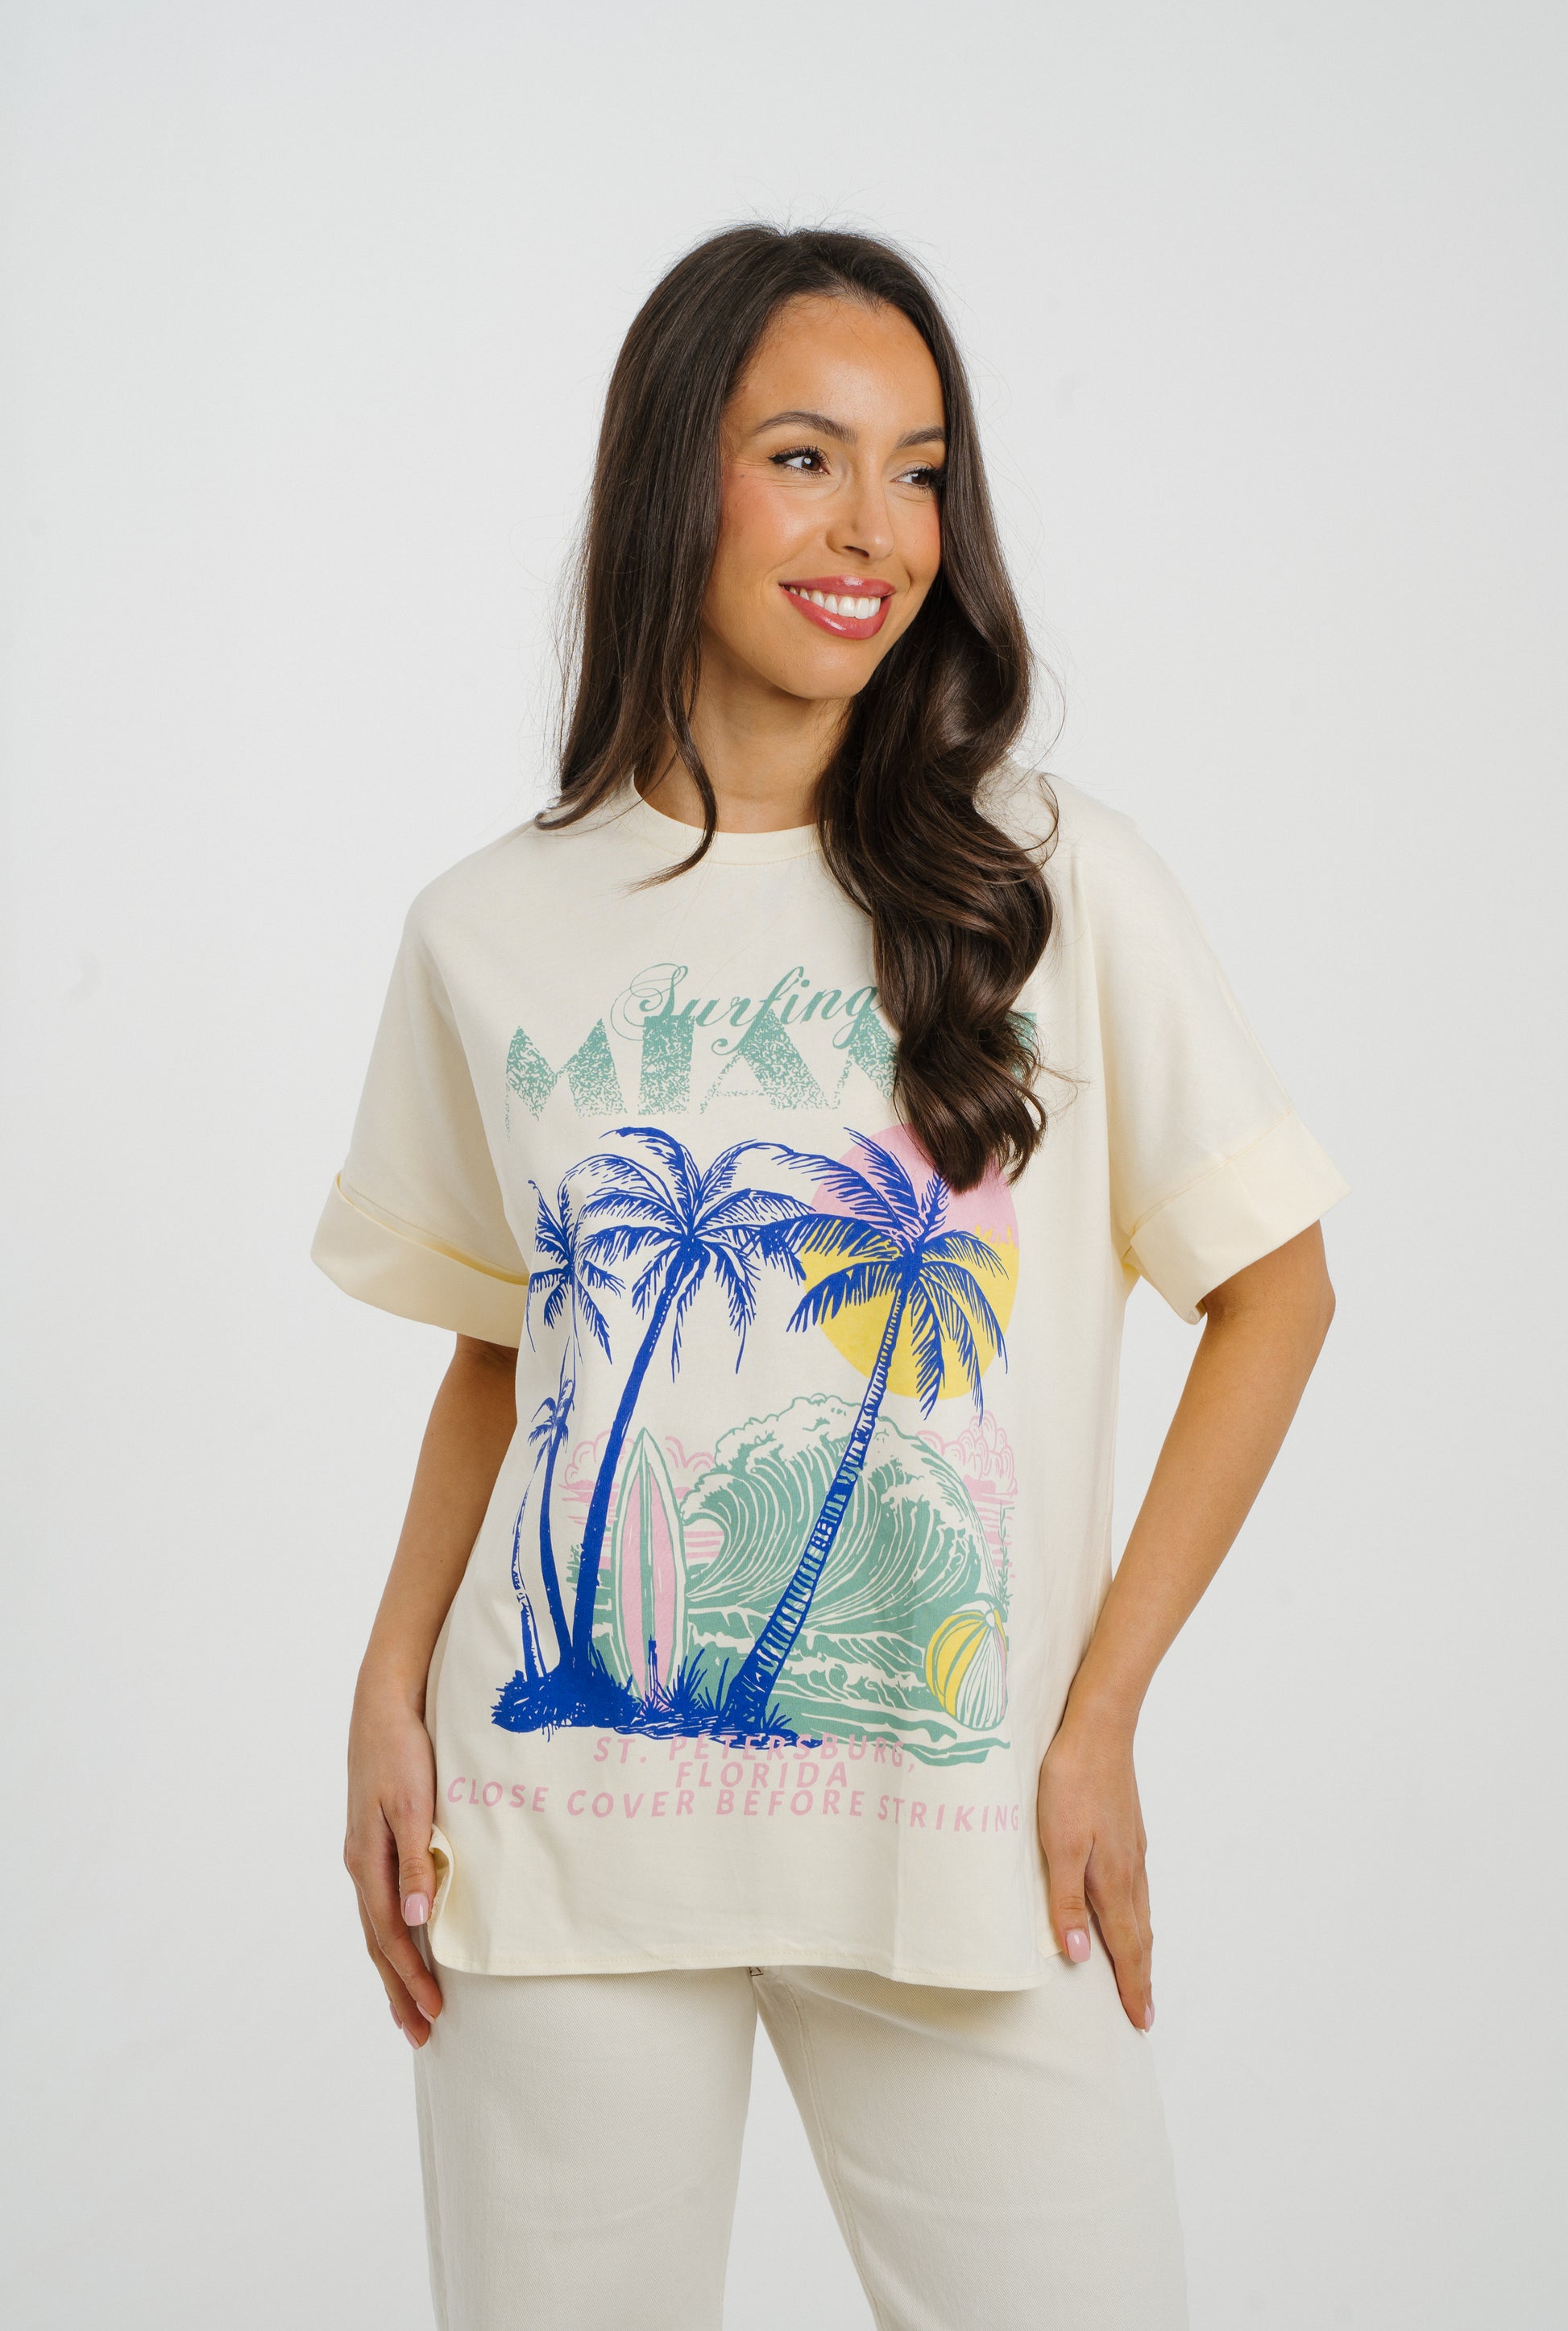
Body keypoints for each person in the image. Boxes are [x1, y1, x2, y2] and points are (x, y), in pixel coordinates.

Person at [313, 224, 1346, 2331]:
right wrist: (382, 1691)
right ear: (671, 480)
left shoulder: (1046, 880)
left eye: (920, 470)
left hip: (964, 1849)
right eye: (805, 457)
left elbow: (1276, 1292)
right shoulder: (487, 928)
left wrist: (1098, 1722)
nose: (875, 527)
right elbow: (508, 1352)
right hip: (557, 1841)